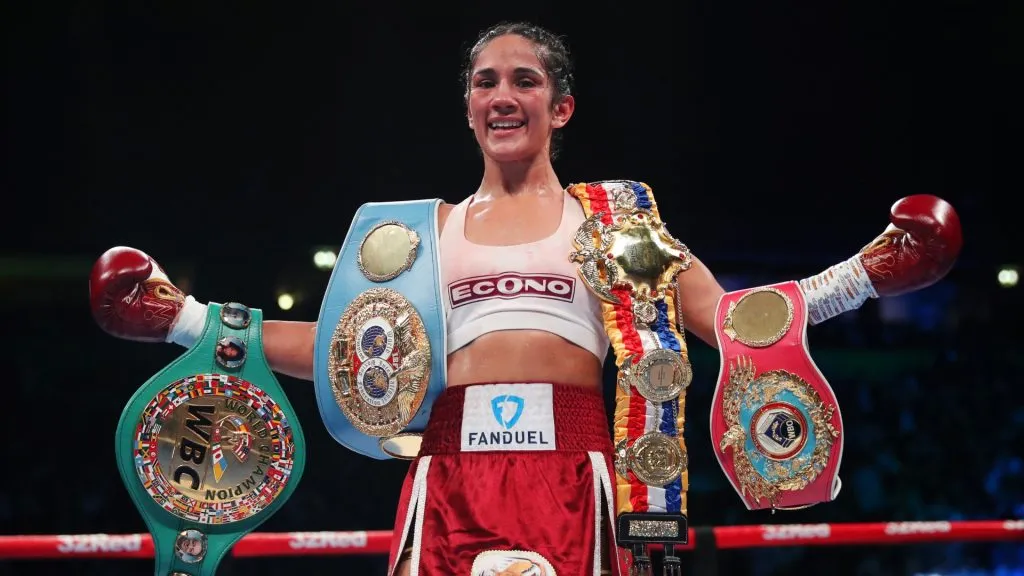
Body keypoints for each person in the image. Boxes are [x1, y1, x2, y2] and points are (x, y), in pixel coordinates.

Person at [89, 21, 962, 576]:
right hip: (449, 472)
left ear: (562, 105)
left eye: (524, 80)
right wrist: (185, 321)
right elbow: (343, 353)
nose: (502, 94)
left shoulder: (616, 218)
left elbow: (729, 320)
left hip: (576, 471)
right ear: (466, 106)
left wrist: (865, 275)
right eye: (485, 81)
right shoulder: (414, 232)